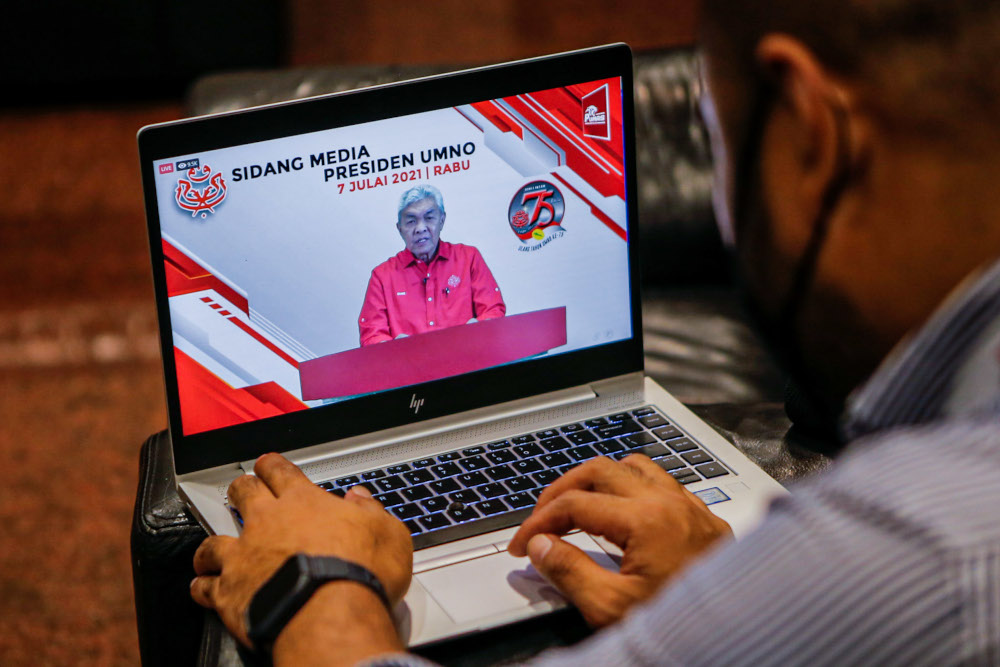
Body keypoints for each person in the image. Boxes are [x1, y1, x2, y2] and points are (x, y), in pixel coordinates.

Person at [190, 1, 1000, 664]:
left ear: (809, 136)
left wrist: (314, 583)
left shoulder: (914, 542)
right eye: (414, 217)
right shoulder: (380, 279)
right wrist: (731, 600)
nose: (427, 226)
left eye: (717, 143)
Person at [358, 184, 506, 346]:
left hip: (467, 361)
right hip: (409, 367)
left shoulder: (468, 258)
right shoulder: (382, 276)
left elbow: (493, 310)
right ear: (399, 229)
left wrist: (477, 328)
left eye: (429, 218)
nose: (420, 228)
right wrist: (392, 348)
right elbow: (372, 335)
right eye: (411, 221)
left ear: (442, 220)